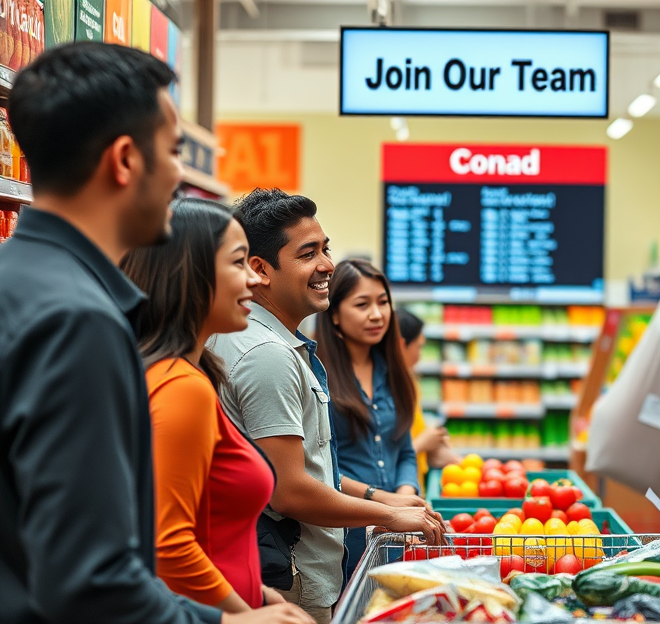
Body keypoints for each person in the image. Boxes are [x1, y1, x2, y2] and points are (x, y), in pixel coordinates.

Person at [0, 43, 310, 624]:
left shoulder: (18, 281)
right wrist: (227, 621)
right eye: (171, 152)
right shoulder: (80, 321)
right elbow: (91, 577)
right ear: (124, 160)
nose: (178, 177)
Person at [208, 189, 446, 624]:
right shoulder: (268, 354)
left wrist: (387, 500)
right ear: (259, 269)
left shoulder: (266, 342)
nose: (327, 265)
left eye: (325, 248)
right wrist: (390, 514)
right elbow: (290, 490)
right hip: (291, 577)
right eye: (307, 254)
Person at [123, 198, 289, 612]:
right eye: (237, 263)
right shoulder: (181, 388)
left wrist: (259, 594)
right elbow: (169, 545)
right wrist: (245, 616)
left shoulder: (181, 374)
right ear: (189, 273)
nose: (253, 279)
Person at [316, 259, 425, 583]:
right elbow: (318, 467)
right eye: (362, 304)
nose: (377, 314)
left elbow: (404, 450)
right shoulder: (317, 375)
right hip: (343, 535)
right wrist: (383, 500)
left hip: (397, 533)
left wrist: (405, 497)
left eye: (383, 302)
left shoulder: (394, 372)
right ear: (335, 313)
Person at [395, 307, 462, 489]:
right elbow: (384, 459)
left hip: (412, 484)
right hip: (395, 492)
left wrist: (433, 446)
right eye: (419, 347)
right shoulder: (388, 389)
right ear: (401, 344)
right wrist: (423, 443)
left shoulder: (409, 380)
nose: (420, 355)